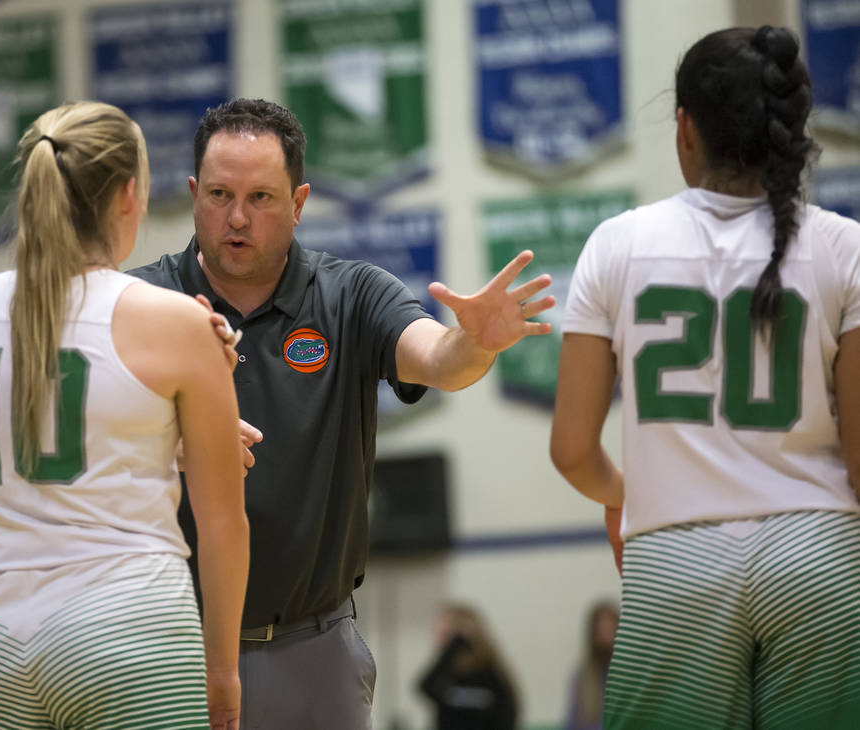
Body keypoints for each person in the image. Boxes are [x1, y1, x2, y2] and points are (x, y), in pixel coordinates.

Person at [129, 97, 555, 730]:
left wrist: (477, 343)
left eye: (261, 198)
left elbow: (437, 358)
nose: (236, 218)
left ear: (299, 204)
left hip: (316, 649)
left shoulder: (352, 294)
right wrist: (170, 441)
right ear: (193, 192)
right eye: (219, 194)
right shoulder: (139, 300)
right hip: (172, 648)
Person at [550, 25, 860, 730]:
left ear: (685, 128)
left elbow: (571, 450)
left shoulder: (617, 244)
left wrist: (635, 494)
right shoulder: (845, 246)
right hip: (819, 556)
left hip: (674, 556)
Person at [0, 101, 249, 730]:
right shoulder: (175, 318)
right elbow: (222, 520)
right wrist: (222, 669)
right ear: (127, 195)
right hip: (125, 620)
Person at [418, 603, 519, 730]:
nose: (440, 636)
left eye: (448, 632)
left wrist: (459, 641)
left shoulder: (488, 670)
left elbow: (508, 710)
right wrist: (450, 651)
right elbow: (424, 687)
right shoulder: (447, 672)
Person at [563, 600, 618, 730]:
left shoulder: (633, 678)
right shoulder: (582, 678)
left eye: (611, 631)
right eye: (601, 631)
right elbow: (571, 723)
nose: (606, 638)